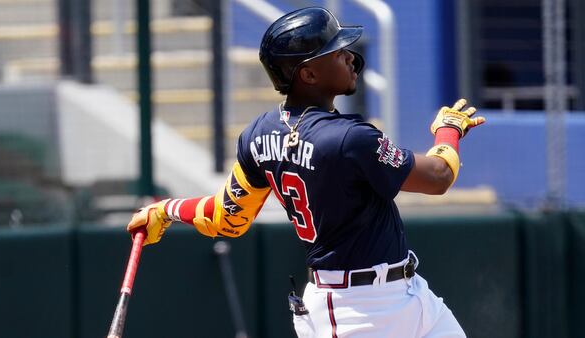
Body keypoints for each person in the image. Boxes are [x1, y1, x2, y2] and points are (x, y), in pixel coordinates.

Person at [127, 7, 485, 338]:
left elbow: (226, 218)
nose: (349, 55)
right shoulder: (348, 138)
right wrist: (449, 129)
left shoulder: (259, 134)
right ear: (308, 73)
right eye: (336, 50)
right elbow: (438, 177)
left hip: (409, 293)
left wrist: (166, 209)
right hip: (352, 313)